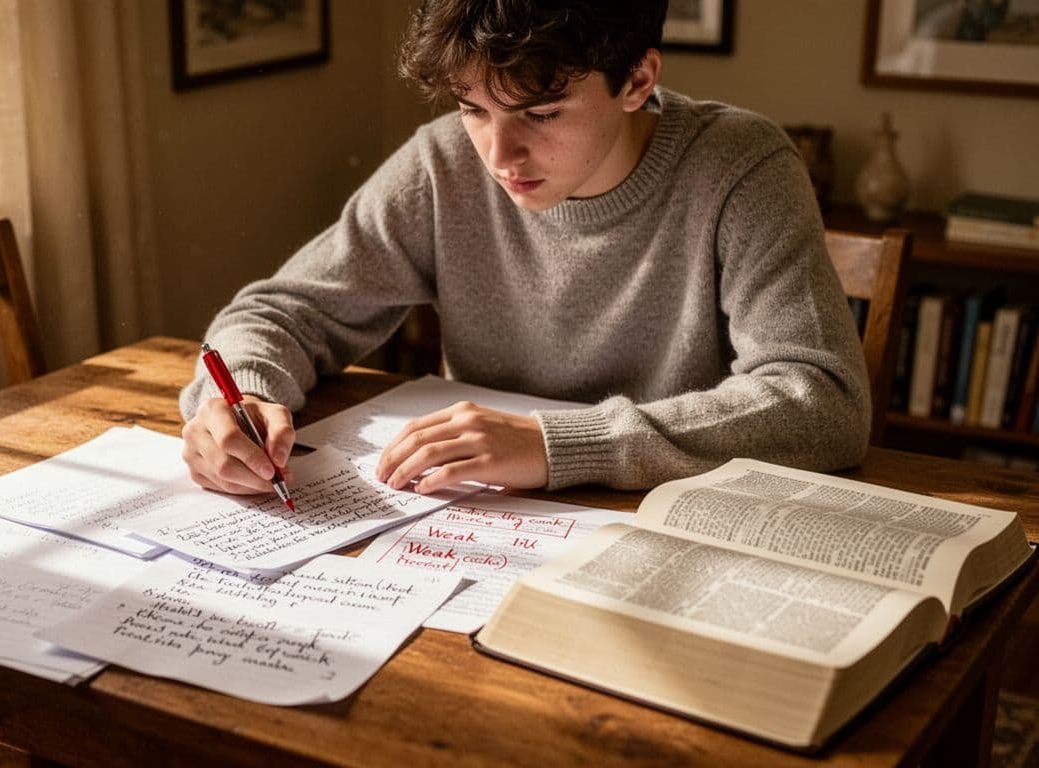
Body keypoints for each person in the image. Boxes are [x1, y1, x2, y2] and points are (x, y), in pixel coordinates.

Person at [178, 0, 870, 497]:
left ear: (637, 80)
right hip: (478, 527)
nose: (498, 154)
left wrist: (554, 444)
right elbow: (282, 312)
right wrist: (241, 396)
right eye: (473, 108)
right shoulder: (443, 165)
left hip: (672, 523)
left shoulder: (740, 166)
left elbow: (823, 401)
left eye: (540, 114)